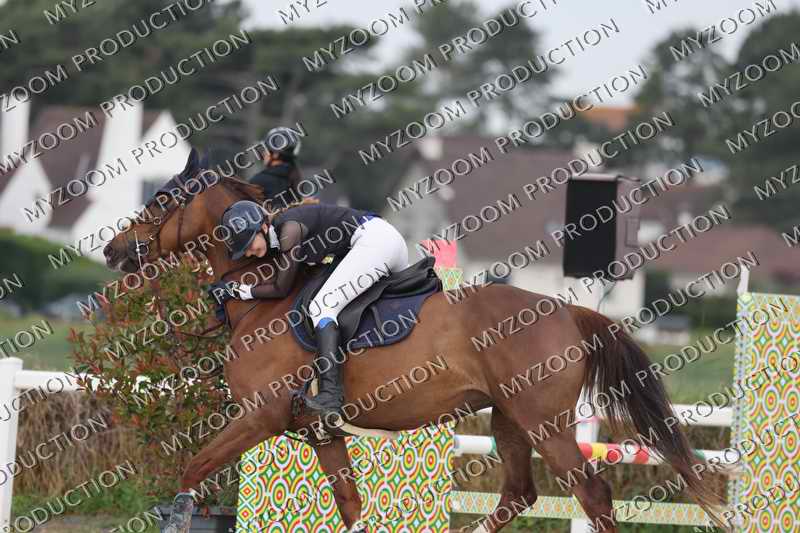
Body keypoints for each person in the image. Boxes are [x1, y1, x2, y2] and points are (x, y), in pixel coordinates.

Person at [218, 200, 409, 425]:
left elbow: (281, 288)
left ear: (263, 227)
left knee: (322, 306)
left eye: (249, 244)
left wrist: (243, 291)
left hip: (375, 242)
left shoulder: (289, 230)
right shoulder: (282, 232)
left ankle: (330, 395)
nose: (249, 253)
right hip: (384, 241)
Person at [249, 127, 303, 210]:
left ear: (275, 154)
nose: (263, 153)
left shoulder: (258, 181)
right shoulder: (295, 180)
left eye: (266, 149)